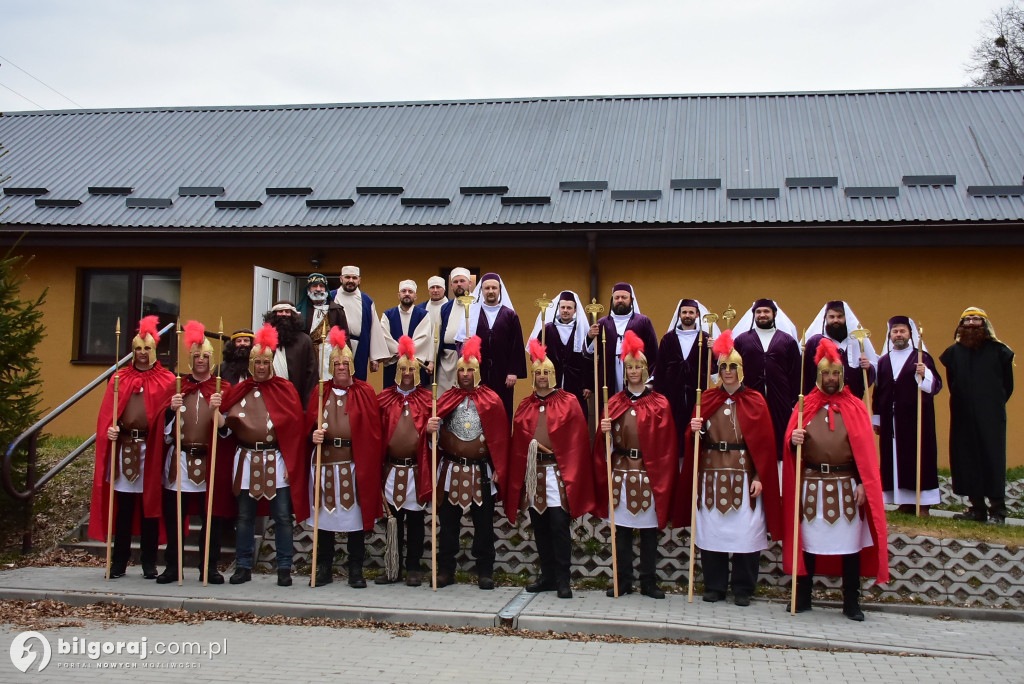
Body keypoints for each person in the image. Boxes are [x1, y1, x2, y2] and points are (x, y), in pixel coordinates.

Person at [671, 330, 782, 606]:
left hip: (744, 476)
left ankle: (743, 588)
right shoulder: (707, 399)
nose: (728, 371)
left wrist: (759, 476)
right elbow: (695, 441)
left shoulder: (755, 400)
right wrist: (693, 431)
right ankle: (715, 586)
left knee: (746, 534)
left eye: (733, 367)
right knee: (713, 533)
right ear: (718, 370)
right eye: (723, 367)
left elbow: (765, 446)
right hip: (711, 476)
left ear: (741, 370)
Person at [784, 338, 888, 621]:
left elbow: (865, 453)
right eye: (826, 373)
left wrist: (864, 483)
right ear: (818, 375)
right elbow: (790, 446)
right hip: (811, 484)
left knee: (849, 547)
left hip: (845, 485)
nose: (830, 379)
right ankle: (803, 596)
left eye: (835, 374)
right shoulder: (805, 405)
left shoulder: (855, 407)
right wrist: (793, 441)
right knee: (808, 543)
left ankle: (851, 602)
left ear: (842, 375)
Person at [220, 324, 310, 587]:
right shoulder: (239, 389)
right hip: (247, 459)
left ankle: (284, 568)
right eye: (256, 362)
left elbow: (294, 429)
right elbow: (225, 426)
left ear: (271, 363)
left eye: (265, 362)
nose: (260, 366)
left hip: (276, 459)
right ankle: (243, 566)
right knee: (245, 516)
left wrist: (290, 461)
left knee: (282, 516)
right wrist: (218, 413)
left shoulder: (285, 389)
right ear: (251, 363)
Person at [507, 340, 596, 599]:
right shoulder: (526, 404)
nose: (542, 377)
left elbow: (577, 441)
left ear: (553, 374)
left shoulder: (568, 401)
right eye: (538, 373)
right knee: (540, 525)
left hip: (558, 474)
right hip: (535, 474)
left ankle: (563, 579)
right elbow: (518, 441)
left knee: (559, 525)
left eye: (546, 372)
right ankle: (546, 576)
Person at [88, 316, 176, 579]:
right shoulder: (119, 379)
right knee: (124, 509)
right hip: (125, 447)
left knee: (150, 507)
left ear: (155, 351)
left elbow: (168, 418)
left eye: (147, 348)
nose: (142, 353)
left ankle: (149, 561)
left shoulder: (167, 379)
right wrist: (111, 429)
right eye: (138, 348)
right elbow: (108, 415)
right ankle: (119, 561)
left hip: (151, 449)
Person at [595, 331, 677, 599]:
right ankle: (623, 580)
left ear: (645, 370)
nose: (633, 371)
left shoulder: (659, 402)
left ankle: (648, 581)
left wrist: (663, 475)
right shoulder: (614, 402)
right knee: (622, 532)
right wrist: (603, 431)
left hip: (647, 471)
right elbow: (603, 447)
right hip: (620, 470)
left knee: (649, 531)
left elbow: (666, 445)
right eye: (628, 367)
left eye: (637, 367)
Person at [426, 336, 511, 590]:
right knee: (448, 526)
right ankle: (446, 571)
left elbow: (500, 438)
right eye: (461, 369)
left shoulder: (492, 399)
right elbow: (434, 440)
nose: (465, 374)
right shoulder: (446, 398)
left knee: (484, 526)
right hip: (451, 470)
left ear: (478, 371)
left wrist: (499, 468)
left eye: (470, 369)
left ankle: (485, 571)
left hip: (480, 471)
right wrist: (431, 429)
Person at [156, 321, 232, 584]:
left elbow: (228, 431)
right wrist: (170, 410)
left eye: (206, 356)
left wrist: (218, 412)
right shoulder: (177, 386)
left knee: (210, 519)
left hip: (208, 460)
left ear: (212, 360)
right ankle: (172, 567)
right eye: (197, 356)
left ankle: (208, 568)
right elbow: (162, 430)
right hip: (179, 460)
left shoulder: (222, 388)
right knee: (175, 517)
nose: (201, 360)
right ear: (190, 359)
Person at [307, 327, 383, 588]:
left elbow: (373, 432)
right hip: (325, 464)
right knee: (324, 521)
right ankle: (324, 568)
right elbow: (305, 427)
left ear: (352, 365)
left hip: (353, 465)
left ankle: (355, 571)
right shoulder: (319, 392)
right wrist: (312, 435)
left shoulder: (365, 392)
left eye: (345, 363)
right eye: (336, 363)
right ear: (330, 366)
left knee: (355, 521)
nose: (341, 367)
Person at [940, 307, 1015, 524]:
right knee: (968, 459)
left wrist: (991, 404)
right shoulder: (953, 353)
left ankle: (998, 511)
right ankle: (977, 509)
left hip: (991, 416)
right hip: (963, 415)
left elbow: (1007, 386)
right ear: (961, 325)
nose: (972, 323)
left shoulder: (1000, 351)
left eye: (976, 319)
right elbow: (953, 382)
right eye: (968, 319)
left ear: (985, 324)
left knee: (992, 459)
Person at [376, 335, 434, 586]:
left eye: (412, 368)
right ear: (396, 371)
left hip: (415, 470)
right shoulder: (384, 399)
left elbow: (436, 441)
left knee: (416, 520)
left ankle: (413, 568)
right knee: (393, 520)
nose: (408, 373)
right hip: (391, 469)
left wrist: (434, 430)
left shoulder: (428, 400)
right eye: (403, 369)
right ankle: (392, 567)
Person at [872, 316, 942, 516]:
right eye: (895, 332)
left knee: (919, 456)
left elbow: (934, 386)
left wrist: (925, 373)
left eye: (902, 331)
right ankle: (904, 501)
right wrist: (876, 418)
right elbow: (879, 391)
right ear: (890, 335)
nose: (899, 335)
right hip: (891, 420)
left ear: (910, 334)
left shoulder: (921, 358)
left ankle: (923, 503)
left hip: (916, 419)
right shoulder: (884, 361)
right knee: (894, 458)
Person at [733, 299, 802, 462]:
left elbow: (796, 373)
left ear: (774, 314)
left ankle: (778, 478)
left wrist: (794, 402)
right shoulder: (742, 340)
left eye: (766, 311)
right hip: (750, 398)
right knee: (752, 438)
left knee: (780, 439)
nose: (762, 315)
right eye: (758, 312)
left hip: (781, 400)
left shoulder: (787, 341)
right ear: (754, 315)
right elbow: (733, 370)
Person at [456, 272, 528, 422]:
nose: (490, 291)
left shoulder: (510, 315)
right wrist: (464, 346)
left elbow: (517, 345)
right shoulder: (472, 314)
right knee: (479, 412)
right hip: (479, 373)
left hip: (503, 374)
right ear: (481, 290)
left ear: (499, 290)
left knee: (502, 410)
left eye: (494, 288)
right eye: (487, 288)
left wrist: (513, 372)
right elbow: (459, 344)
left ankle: (503, 444)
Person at [653, 299, 719, 461]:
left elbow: (715, 370)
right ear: (679, 315)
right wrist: (658, 398)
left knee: (694, 433)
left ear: (697, 315)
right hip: (672, 396)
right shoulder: (668, 339)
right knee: (673, 436)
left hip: (696, 396)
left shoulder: (705, 338)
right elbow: (660, 370)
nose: (687, 315)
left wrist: (715, 350)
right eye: (684, 312)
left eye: (691, 312)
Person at [588, 282, 658, 398]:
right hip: (609, 373)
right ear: (612, 300)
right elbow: (590, 354)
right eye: (617, 297)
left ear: (631, 299)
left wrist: (650, 379)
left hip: (635, 371)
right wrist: (590, 336)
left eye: (624, 297)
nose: (620, 300)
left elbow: (653, 352)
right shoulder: (603, 323)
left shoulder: (643, 321)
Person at [530, 290, 593, 417]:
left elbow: (588, 359)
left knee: (576, 416)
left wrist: (587, 384)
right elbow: (535, 352)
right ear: (558, 308)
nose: (565, 310)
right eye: (563, 307)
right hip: (552, 380)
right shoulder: (547, 329)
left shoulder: (580, 330)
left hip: (576, 381)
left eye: (569, 308)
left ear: (575, 310)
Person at [802, 301, 878, 401]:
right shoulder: (815, 342)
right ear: (826, 319)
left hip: (852, 403)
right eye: (832, 317)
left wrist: (868, 368)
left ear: (846, 318)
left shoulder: (858, 341)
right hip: (822, 403)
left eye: (840, 316)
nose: (836, 320)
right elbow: (806, 376)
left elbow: (865, 378)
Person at [332, 265, 389, 381]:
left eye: (354, 278)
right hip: (334, 347)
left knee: (357, 382)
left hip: (359, 346)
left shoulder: (367, 301)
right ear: (341, 278)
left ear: (359, 280)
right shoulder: (331, 297)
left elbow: (374, 329)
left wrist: (375, 358)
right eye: (347, 277)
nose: (351, 281)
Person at [264, 301, 318, 409]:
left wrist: (307, 406)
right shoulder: (264, 339)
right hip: (268, 398)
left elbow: (311, 375)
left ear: (293, 316)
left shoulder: (304, 340)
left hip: (295, 400)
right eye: (280, 311)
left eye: (287, 311)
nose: (284, 314)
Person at [380, 279, 433, 388]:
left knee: (415, 399)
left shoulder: (423, 315)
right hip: (394, 363)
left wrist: (407, 353)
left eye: (410, 291)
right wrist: (400, 351)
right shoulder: (387, 315)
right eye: (403, 291)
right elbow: (384, 336)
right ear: (399, 295)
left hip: (415, 364)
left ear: (415, 296)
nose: (407, 294)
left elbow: (424, 337)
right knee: (392, 397)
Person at [297, 272, 349, 381]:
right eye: (314, 286)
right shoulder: (299, 311)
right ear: (308, 289)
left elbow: (345, 337)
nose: (318, 289)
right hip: (307, 354)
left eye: (321, 286)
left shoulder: (336, 310)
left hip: (330, 353)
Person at [435, 267, 474, 392]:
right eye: (455, 282)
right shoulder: (445, 307)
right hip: (447, 359)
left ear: (470, 283)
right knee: (444, 395)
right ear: (451, 285)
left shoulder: (477, 306)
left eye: (462, 281)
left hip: (468, 359)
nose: (459, 284)